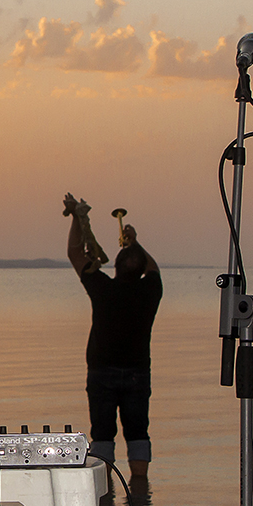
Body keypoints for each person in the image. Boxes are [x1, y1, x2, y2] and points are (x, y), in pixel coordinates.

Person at [63, 193, 161, 479]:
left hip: (102, 372)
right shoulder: (151, 290)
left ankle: (104, 489)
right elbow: (153, 268)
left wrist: (75, 219)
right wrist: (135, 242)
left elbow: (74, 253)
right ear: (142, 270)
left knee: (102, 434)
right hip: (137, 373)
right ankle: (141, 490)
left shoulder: (103, 288)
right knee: (138, 432)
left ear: (115, 268)